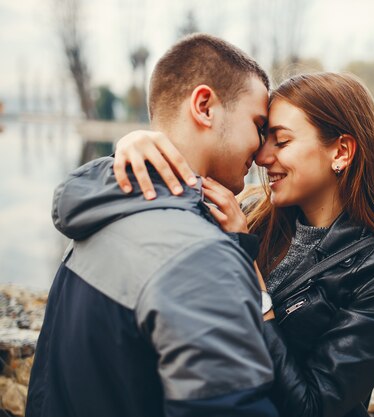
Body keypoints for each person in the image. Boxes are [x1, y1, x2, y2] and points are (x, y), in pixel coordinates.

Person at [110, 72, 374, 417]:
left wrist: (247, 269)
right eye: (264, 138)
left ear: (341, 150)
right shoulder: (249, 213)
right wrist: (138, 146)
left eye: (282, 141)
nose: (261, 156)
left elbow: (311, 408)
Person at [26, 34, 279, 417]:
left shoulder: (101, 213)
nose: (262, 151)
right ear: (205, 106)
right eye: (258, 125)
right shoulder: (200, 258)